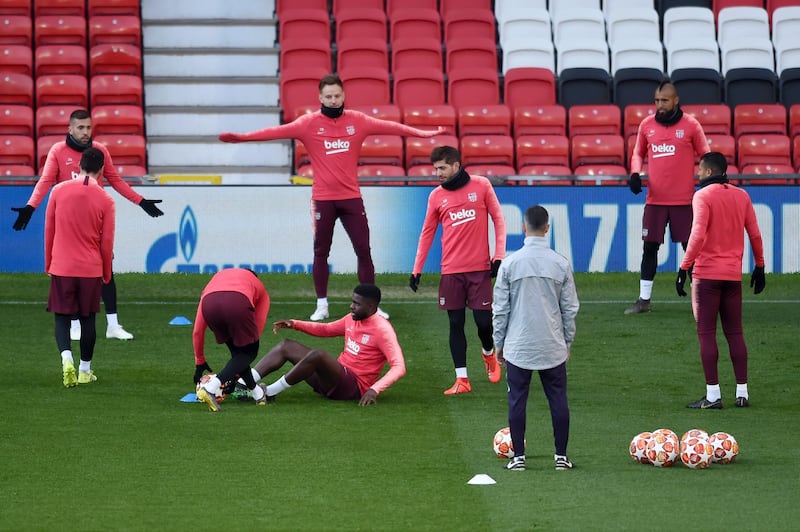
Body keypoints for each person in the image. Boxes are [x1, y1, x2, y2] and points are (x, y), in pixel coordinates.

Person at [219, 74, 446, 321]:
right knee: (321, 252)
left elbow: (392, 127)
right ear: (320, 97)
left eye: (337, 95)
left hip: (351, 198)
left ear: (343, 95)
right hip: (323, 200)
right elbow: (275, 131)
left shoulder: (358, 121)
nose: (334, 100)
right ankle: (322, 305)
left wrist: (423, 134)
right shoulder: (308, 124)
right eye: (329, 96)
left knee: (363, 250)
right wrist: (241, 138)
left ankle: (371, 304)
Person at [11, 108, 164, 340]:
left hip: (94, 220)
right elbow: (45, 181)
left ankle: (113, 325)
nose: (85, 132)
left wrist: (140, 201)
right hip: (68, 222)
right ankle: (74, 324)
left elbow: (116, 180)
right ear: (70, 129)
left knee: (106, 268)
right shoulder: (58, 151)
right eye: (81, 128)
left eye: (89, 127)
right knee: (70, 272)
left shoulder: (99, 151)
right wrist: (31, 206)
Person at [409, 145, 507, 395]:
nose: (438, 173)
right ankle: (462, 380)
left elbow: (498, 219)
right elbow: (427, 232)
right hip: (451, 271)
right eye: (435, 168)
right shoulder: (435, 196)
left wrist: (499, 255)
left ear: (456, 165)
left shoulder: (481, 185)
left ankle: (488, 353)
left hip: (479, 269)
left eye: (442, 168)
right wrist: (416, 269)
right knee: (455, 323)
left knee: (483, 323)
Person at [492, 205, 580, 471]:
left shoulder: (509, 263)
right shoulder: (560, 263)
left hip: (518, 346)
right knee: (558, 400)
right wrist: (567, 342)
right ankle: (561, 457)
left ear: (523, 227)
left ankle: (518, 457)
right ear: (547, 229)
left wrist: (499, 343)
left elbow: (500, 309)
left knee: (517, 399)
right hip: (551, 345)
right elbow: (570, 308)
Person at [675, 152, 765, 409]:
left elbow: (698, 234)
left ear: (710, 172)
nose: (697, 174)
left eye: (700, 171)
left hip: (707, 276)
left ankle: (713, 395)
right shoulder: (742, 196)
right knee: (735, 333)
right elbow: (755, 234)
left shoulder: (702, 196)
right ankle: (742, 392)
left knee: (706, 333)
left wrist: (684, 267)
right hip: (732, 276)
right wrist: (760, 266)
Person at [245, 284, 405, 406]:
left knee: (318, 355)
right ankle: (243, 384)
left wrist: (374, 390)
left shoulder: (383, 330)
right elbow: (326, 329)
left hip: (353, 387)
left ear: (371, 307)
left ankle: (269, 392)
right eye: (352, 301)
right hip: (333, 378)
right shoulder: (352, 317)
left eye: (357, 304)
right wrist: (294, 324)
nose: (351, 306)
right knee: (287, 345)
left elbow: (399, 366)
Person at [626, 81, 709, 314]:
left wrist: (707, 179)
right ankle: (644, 301)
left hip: (684, 201)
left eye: (664, 100)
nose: (659, 105)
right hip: (655, 201)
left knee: (691, 249)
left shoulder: (691, 125)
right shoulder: (646, 126)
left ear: (675, 100)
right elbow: (638, 153)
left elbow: (706, 155)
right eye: (656, 100)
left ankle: (701, 300)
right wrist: (634, 173)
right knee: (649, 248)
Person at [45, 147, 115, 388]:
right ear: (102, 169)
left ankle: (66, 359)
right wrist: (106, 271)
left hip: (62, 265)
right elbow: (107, 242)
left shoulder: (58, 190)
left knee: (62, 318)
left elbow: (49, 230)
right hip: (90, 268)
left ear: (79, 165)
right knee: (88, 320)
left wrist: (49, 262)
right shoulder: (106, 200)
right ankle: (85, 370)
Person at [193, 268, 272, 412]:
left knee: (239, 355)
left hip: (210, 305)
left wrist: (200, 361)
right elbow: (256, 331)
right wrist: (233, 375)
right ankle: (211, 387)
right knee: (249, 353)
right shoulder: (259, 286)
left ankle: (258, 394)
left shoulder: (216, 280)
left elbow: (197, 331)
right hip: (238, 303)